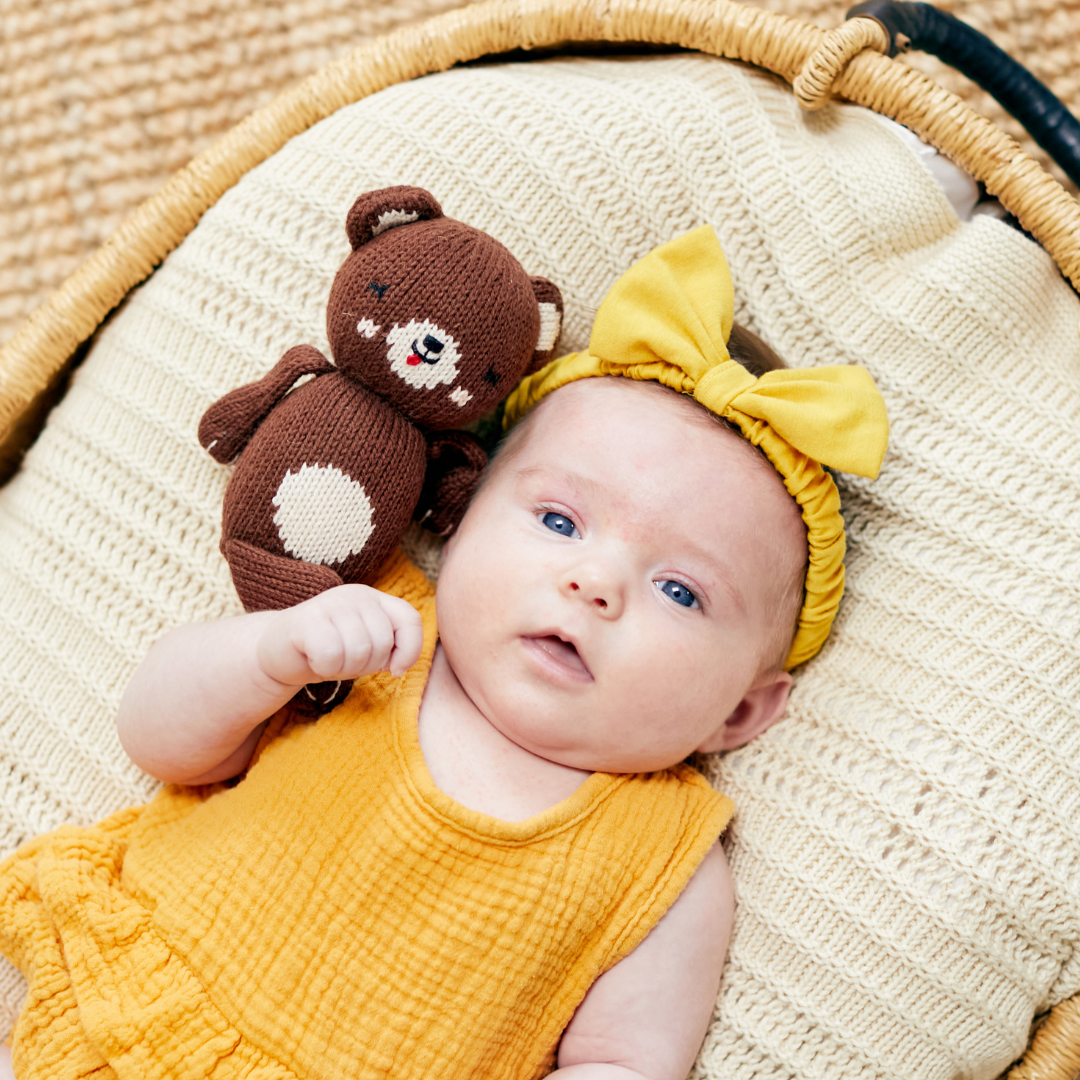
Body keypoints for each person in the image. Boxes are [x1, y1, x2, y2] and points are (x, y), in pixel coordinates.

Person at [0, 226, 888, 1080]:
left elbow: (624, 1061)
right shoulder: (367, 627)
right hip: (119, 1009)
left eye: (681, 591)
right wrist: (269, 653)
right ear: (457, 519)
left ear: (742, 710)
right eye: (559, 521)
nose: (595, 583)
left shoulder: (666, 858)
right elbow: (159, 741)